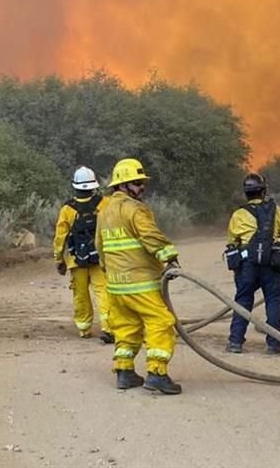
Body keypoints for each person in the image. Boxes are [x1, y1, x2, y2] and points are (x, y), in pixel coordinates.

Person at [94, 158, 182, 394]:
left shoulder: (104, 211)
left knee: (126, 327)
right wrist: (169, 258)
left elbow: (100, 246)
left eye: (142, 182)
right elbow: (151, 237)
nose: (141, 187)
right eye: (136, 183)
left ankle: (124, 372)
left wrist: (109, 272)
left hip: (116, 286)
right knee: (161, 322)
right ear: (122, 186)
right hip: (140, 284)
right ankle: (157, 373)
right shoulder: (135, 209)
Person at [224, 173, 280, 355]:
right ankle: (274, 343)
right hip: (272, 264)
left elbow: (232, 241)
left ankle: (235, 342)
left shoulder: (238, 214)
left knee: (243, 301)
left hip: (247, 265)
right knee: (273, 301)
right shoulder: (277, 211)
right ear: (263, 191)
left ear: (246, 194)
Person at [53, 166, 113, 343]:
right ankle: (108, 328)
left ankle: (84, 329)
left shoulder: (67, 209)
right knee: (103, 292)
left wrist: (59, 260)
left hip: (76, 259)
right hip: (99, 258)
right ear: (94, 185)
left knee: (80, 294)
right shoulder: (105, 203)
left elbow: (60, 237)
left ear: (75, 186)